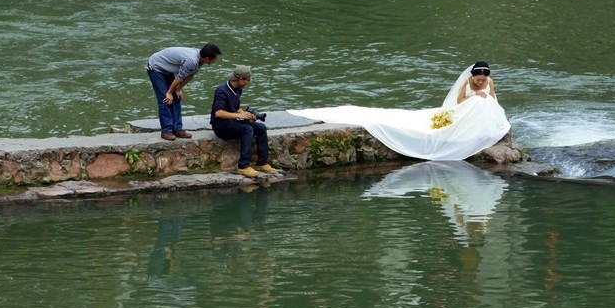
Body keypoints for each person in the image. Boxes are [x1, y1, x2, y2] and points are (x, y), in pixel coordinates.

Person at [289, 60, 510, 161]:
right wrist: (476, 97)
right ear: (473, 77)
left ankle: (483, 129)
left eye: (483, 80)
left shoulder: (489, 82)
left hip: (480, 113)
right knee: (476, 101)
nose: (481, 82)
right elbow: (460, 100)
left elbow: (493, 99)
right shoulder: (467, 83)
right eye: (478, 79)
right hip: (461, 111)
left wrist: (484, 96)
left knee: (484, 102)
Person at [211, 65, 280, 178]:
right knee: (247, 129)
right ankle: (243, 166)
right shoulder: (221, 90)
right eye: (247, 80)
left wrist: (246, 115)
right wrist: (240, 115)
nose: (248, 82)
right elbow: (218, 113)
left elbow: (236, 108)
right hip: (220, 125)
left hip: (232, 121)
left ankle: (262, 163)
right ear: (241, 79)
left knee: (260, 127)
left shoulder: (238, 89)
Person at [146, 43, 221, 141]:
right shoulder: (192, 61)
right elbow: (179, 78)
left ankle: (177, 129)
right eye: (215, 58)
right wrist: (169, 92)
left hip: (166, 68)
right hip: (156, 66)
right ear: (207, 58)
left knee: (176, 98)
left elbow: (189, 77)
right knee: (165, 99)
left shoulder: (199, 59)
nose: (216, 60)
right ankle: (166, 130)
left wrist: (177, 90)